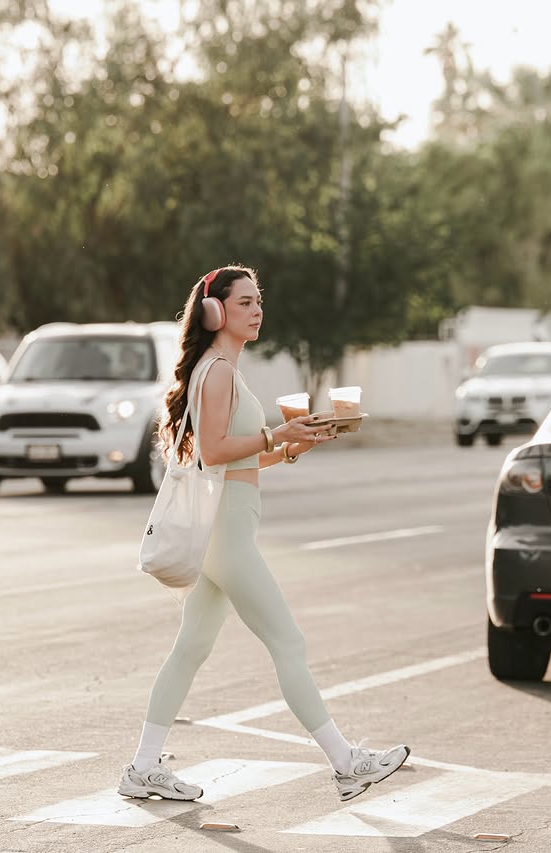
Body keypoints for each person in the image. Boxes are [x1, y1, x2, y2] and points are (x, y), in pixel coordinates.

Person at [118, 265, 409, 804]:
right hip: (226, 532)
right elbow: (211, 451)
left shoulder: (221, 368)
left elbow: (238, 460)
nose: (257, 310)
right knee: (287, 641)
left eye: (259, 301)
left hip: (224, 523)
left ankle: (141, 767)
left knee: (192, 646)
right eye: (245, 301)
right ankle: (346, 763)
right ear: (215, 312)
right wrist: (275, 432)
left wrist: (292, 444)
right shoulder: (221, 371)